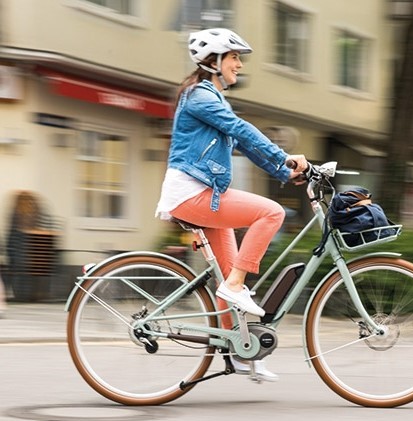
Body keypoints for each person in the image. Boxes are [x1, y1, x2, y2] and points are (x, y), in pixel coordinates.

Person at [155, 28, 308, 381]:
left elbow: (248, 144)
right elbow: (240, 129)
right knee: (271, 212)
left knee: (227, 273)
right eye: (234, 57)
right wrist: (285, 157)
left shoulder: (212, 97)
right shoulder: (199, 96)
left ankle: (238, 352)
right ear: (214, 61)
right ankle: (236, 284)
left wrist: (286, 170)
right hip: (192, 194)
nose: (239, 64)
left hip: (204, 193)